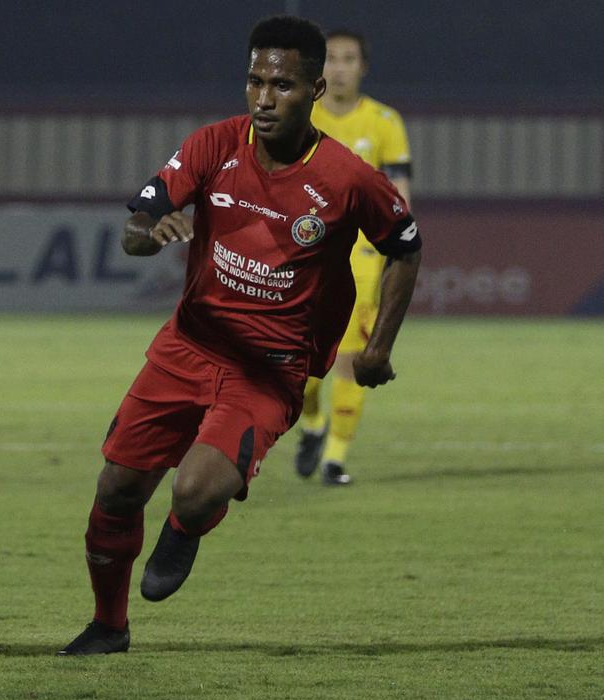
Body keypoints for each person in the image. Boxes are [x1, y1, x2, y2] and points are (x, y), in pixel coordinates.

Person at [59, 15, 422, 655]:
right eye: (254, 81)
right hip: (187, 347)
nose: (262, 98)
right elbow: (137, 224)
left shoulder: (346, 178)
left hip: (269, 368)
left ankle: (186, 524)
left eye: (280, 85)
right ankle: (107, 626)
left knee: (195, 492)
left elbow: (406, 247)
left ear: (314, 89)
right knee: (115, 487)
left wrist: (381, 346)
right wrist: (151, 231)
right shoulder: (213, 145)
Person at [296, 29, 414, 485]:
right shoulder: (302, 116)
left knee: (351, 357)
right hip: (305, 252)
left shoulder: (384, 121)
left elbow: (400, 195)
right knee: (305, 366)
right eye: (331, 59)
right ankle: (311, 425)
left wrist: (397, 243)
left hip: (363, 255)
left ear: (363, 67)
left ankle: (335, 459)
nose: (340, 67)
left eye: (349, 59)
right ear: (317, 67)